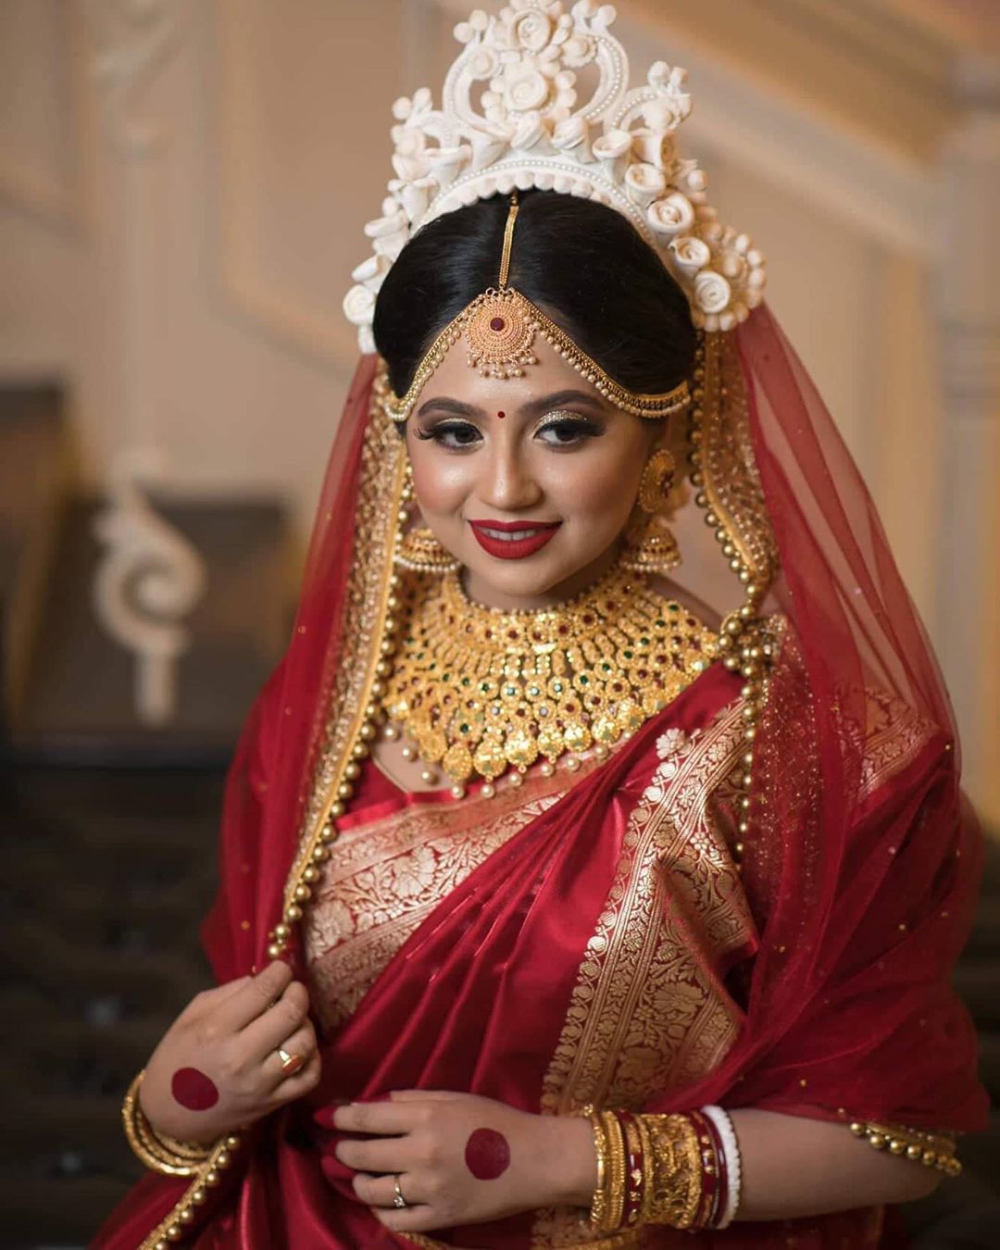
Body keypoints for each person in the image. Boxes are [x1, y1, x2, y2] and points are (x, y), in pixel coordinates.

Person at [94, 3, 987, 1247]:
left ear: (665, 433)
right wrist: (178, 1095)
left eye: (566, 427)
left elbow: (893, 1136)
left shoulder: (804, 744)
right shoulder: (339, 693)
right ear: (400, 431)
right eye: (453, 430)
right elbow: (237, 1080)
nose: (501, 489)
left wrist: (557, 1159)